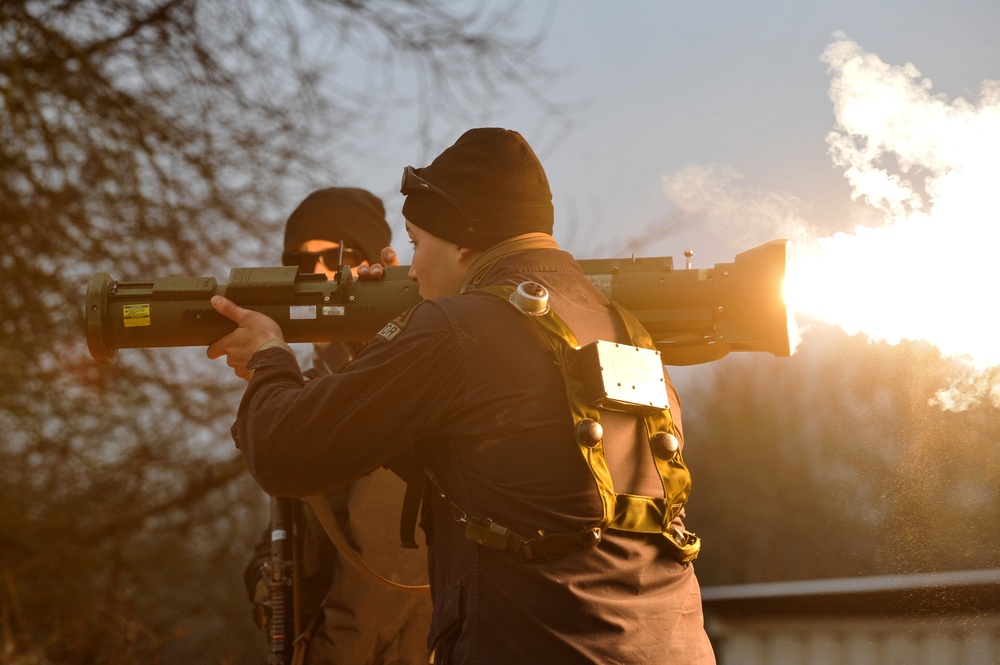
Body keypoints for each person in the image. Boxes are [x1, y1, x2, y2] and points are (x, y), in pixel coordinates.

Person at [210, 128, 716, 663]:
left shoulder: (459, 329)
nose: (415, 269)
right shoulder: (622, 328)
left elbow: (285, 451)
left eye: (416, 243)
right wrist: (369, 347)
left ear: (463, 241)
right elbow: (475, 460)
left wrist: (270, 357)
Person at [243, 187, 432, 664]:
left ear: (368, 264)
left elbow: (386, 579)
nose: (317, 274)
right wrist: (266, 577)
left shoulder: (404, 375)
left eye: (335, 256)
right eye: (298, 262)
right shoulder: (309, 387)